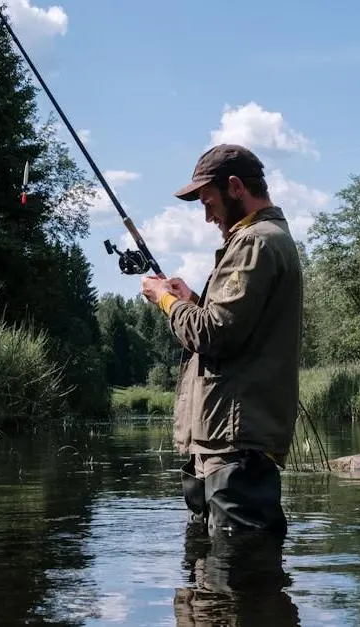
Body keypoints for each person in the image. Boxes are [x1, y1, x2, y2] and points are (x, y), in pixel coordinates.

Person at [140, 143, 304, 538]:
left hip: (234, 444)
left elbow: (210, 333)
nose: (207, 215)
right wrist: (191, 300)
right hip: (227, 440)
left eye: (208, 201)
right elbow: (237, 326)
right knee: (216, 579)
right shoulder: (263, 239)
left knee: (237, 577)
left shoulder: (256, 242)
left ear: (234, 187)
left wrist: (164, 300)